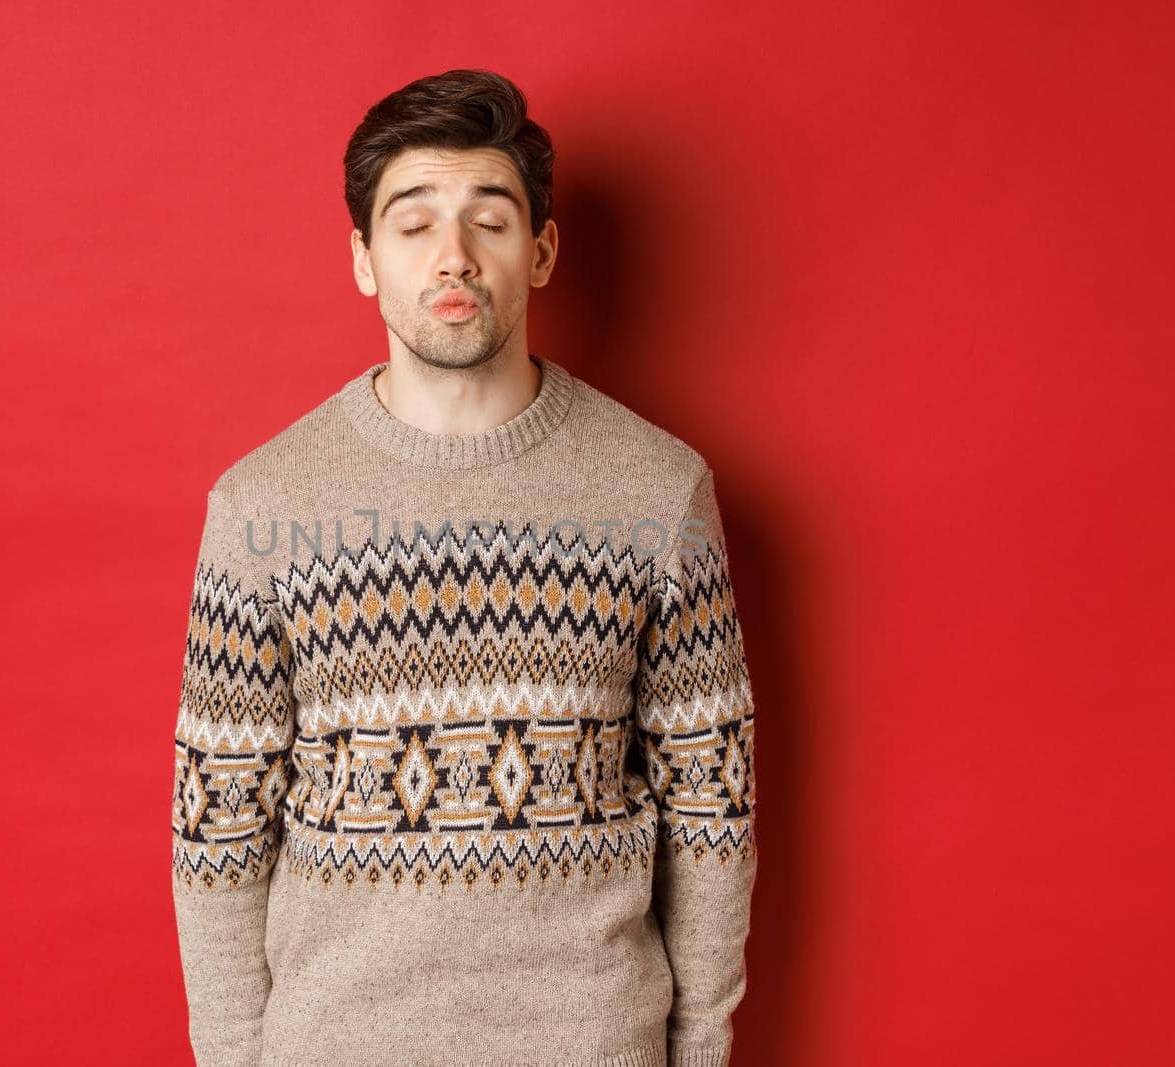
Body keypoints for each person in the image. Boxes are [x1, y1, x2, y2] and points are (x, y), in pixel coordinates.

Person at [171, 67, 758, 1067]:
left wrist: (697, 1044)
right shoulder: (262, 506)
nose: (454, 255)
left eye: (489, 219)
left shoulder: (659, 492)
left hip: (595, 1042)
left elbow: (713, 803)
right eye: (412, 224)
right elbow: (218, 823)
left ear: (540, 251)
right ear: (364, 260)